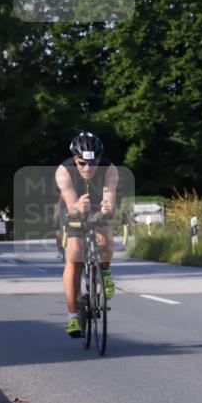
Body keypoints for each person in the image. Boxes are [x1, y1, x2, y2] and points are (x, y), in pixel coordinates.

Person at [55, 132, 119, 337]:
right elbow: (71, 206)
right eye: (82, 163)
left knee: (105, 238)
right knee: (75, 254)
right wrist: (76, 208)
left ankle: (105, 273)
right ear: (75, 159)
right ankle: (72, 316)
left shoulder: (109, 169)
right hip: (73, 207)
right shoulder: (63, 171)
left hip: (97, 205)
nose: (87, 168)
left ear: (99, 159)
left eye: (93, 163)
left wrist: (107, 208)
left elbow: (110, 197)